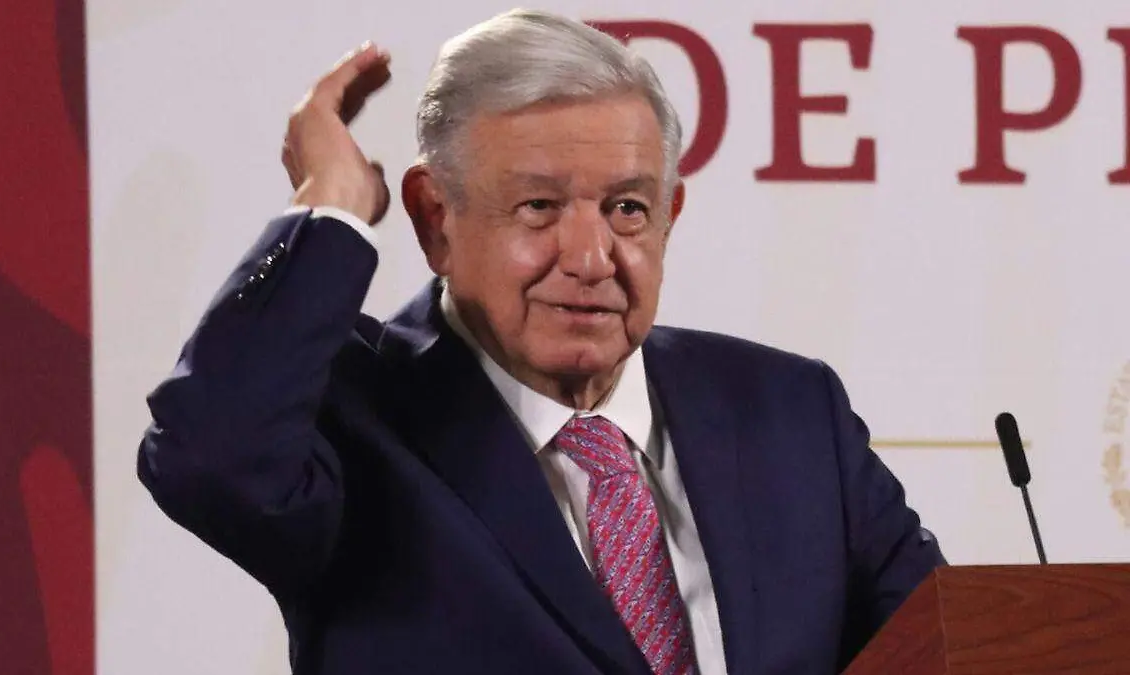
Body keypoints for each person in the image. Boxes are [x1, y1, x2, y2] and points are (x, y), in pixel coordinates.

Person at [137, 9, 945, 675]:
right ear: (435, 219)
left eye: (627, 208)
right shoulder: (356, 417)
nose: (591, 258)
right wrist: (332, 206)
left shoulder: (790, 409)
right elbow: (207, 460)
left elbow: (950, 642)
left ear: (669, 217)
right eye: (538, 208)